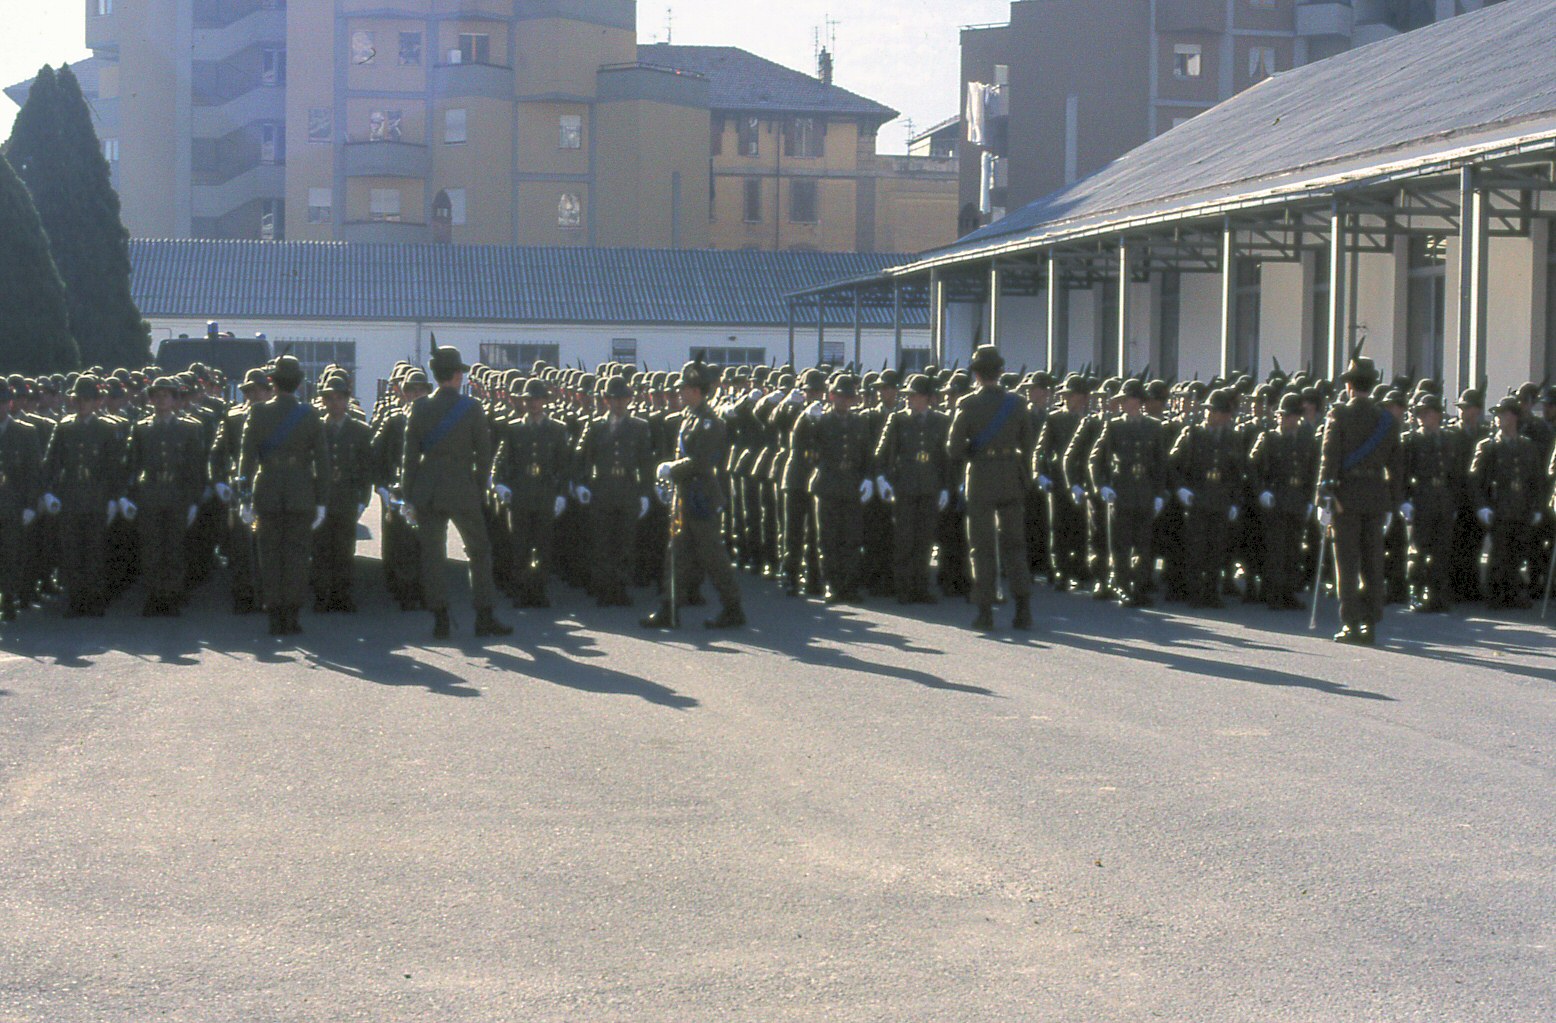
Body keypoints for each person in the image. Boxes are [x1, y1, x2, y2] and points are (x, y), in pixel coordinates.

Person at [401, 345, 512, 640]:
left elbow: (409, 457)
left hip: (428, 488)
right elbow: (484, 453)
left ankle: (440, 619)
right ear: (456, 374)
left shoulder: (420, 407)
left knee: (433, 555)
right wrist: (477, 486)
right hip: (462, 486)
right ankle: (484, 616)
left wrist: (408, 495)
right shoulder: (472, 408)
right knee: (479, 551)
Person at [641, 361, 745, 630]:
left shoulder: (711, 423)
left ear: (696, 390)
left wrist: (670, 468)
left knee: (713, 557)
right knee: (676, 554)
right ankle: (669, 608)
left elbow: (700, 462)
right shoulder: (690, 417)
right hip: (684, 497)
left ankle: (733, 607)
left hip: (701, 499)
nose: (680, 393)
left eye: (684, 388)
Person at [239, 355, 328, 636]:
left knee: (270, 556)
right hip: (300, 490)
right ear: (300, 383)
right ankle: (292, 614)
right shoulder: (311, 414)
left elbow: (247, 459)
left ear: (272, 382)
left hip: (267, 489)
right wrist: (322, 500)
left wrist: (243, 497)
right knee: (297, 557)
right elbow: (323, 462)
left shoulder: (258, 413)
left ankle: (274, 614)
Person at [1315, 356, 1401, 644]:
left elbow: (1329, 461)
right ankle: (1370, 622)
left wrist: (1322, 498)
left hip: (1345, 498)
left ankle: (1350, 622)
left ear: (1349, 385)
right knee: (1373, 562)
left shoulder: (1338, 415)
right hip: (1376, 496)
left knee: (1347, 562)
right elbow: (1396, 466)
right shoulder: (1387, 420)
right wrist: (1393, 502)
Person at [948, 345, 1034, 631]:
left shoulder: (968, 404)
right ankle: (1023, 609)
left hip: (981, 478)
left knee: (982, 547)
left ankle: (984, 612)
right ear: (1001, 372)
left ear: (975, 373)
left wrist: (975, 450)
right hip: (1011, 475)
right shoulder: (1017, 403)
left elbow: (954, 449)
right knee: (1015, 545)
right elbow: (1029, 443)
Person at [41, 376, 125, 617]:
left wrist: (114, 498)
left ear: (97, 402)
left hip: (97, 498)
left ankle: (95, 599)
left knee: (95, 551)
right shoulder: (64, 427)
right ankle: (76, 599)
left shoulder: (107, 428)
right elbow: (51, 463)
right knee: (71, 552)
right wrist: (47, 491)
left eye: (86, 400)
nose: (81, 404)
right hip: (70, 497)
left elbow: (113, 468)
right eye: (77, 399)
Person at [125, 376, 208, 618]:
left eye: (166, 395)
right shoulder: (141, 428)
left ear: (174, 400)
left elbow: (195, 468)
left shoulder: (189, 429)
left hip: (177, 495)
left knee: (174, 548)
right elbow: (132, 463)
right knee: (151, 548)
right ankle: (154, 596)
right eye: (156, 395)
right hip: (150, 493)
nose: (160, 400)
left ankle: (171, 596)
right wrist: (128, 496)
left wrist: (194, 500)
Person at [573, 374, 655, 607]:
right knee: (602, 542)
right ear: (605, 400)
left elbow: (646, 464)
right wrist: (580, 483)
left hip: (628, 490)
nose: (618, 403)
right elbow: (581, 458)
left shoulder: (640, 427)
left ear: (629, 400)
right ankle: (604, 588)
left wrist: (646, 493)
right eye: (613, 399)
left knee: (626, 542)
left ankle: (621, 588)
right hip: (603, 489)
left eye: (622, 399)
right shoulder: (595, 426)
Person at [491, 377, 572, 608]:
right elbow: (501, 459)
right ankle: (522, 591)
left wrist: (561, 494)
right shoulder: (513, 428)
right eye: (529, 400)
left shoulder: (557, 429)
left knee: (544, 546)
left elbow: (564, 466)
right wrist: (499, 483)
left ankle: (539, 590)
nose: (533, 404)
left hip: (546, 494)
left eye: (537, 399)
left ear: (545, 401)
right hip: (521, 494)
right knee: (520, 546)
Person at [1087, 378, 1168, 607]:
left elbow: (1160, 463)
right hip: (1121, 491)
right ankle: (1122, 586)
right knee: (1121, 544)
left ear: (1138, 401)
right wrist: (1101, 486)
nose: (1123, 404)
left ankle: (1139, 586)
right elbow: (1096, 459)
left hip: (1144, 491)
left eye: (1127, 399)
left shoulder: (1153, 426)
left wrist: (1160, 494)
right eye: (1121, 400)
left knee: (1143, 544)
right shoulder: (1114, 426)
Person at [874, 373, 951, 604]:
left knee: (925, 540)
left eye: (914, 395)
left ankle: (921, 587)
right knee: (905, 539)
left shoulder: (941, 421)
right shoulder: (898, 420)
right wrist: (881, 478)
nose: (909, 399)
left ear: (927, 398)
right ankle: (904, 587)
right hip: (905, 486)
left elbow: (945, 458)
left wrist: (946, 487)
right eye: (908, 395)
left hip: (930, 487)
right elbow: (883, 452)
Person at [1169, 388, 1247, 610]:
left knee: (1217, 549)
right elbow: (1173, 465)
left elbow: (1238, 474)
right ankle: (1195, 591)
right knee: (1196, 548)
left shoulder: (1232, 438)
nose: (1223, 418)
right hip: (1198, 497)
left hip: (1221, 499)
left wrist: (1235, 501)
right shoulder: (1192, 434)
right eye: (1219, 413)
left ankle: (1212, 592)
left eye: (1225, 414)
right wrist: (1181, 489)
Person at [1470, 396, 1548, 609]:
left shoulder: (1527, 446)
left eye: (1503, 414)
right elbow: (1476, 480)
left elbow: (1536, 480)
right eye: (1497, 414)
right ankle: (1496, 594)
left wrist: (1538, 507)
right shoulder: (1488, 446)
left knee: (1518, 551)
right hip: (1499, 506)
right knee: (1499, 552)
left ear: (1513, 417)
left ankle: (1513, 592)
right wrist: (1482, 506)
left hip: (1521, 506)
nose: (1499, 418)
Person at [805, 372, 873, 603]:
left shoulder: (859, 422)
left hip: (852, 484)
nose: (844, 401)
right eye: (840, 396)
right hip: (828, 485)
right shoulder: (821, 421)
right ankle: (831, 585)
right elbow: (806, 450)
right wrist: (807, 422)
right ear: (831, 396)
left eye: (848, 397)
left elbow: (866, 454)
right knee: (829, 539)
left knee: (851, 539)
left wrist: (868, 478)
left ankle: (849, 586)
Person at [1248, 392, 1318, 611]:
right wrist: (1262, 491)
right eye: (1285, 416)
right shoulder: (1269, 439)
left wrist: (1310, 500)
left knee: (1293, 549)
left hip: (1297, 500)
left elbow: (1313, 473)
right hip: (1276, 499)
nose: (1288, 421)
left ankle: (1289, 592)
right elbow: (1252, 468)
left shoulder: (1307, 442)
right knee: (1276, 550)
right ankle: (1273, 593)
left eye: (1293, 417)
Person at [313, 376, 374, 613]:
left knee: (344, 549)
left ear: (347, 400)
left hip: (347, 496)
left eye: (339, 398)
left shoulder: (360, 430)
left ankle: (342, 595)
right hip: (323, 497)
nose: (335, 403)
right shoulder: (317, 428)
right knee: (321, 549)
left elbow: (366, 468)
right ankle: (321, 595)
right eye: (330, 398)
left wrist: (363, 499)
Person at [1398, 393, 1461, 612]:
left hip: (1443, 498)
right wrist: (1404, 501)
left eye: (1427, 412)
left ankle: (1437, 594)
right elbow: (1402, 474)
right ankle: (1417, 592)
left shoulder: (1449, 439)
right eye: (1420, 413)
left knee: (1441, 550)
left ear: (1437, 415)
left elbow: (1455, 474)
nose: (1422, 417)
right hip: (1422, 496)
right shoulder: (1411, 440)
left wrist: (1454, 502)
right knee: (1419, 550)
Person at [0, 379, 44, 623]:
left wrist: (30, 505)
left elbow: (33, 474)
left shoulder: (25, 432)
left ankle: (8, 599)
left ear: (10, 403)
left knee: (11, 555)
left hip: (13, 506)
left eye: (3, 402)